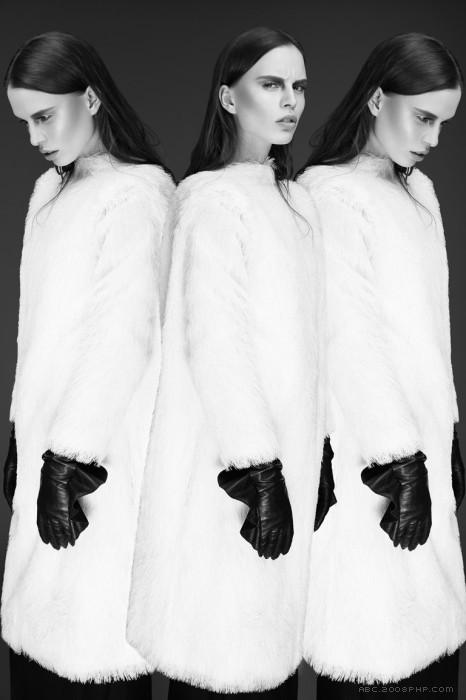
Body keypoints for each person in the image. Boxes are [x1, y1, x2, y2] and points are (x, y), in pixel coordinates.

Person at [127, 27, 325, 699]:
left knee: (268, 668)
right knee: (220, 667)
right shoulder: (210, 200)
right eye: (270, 84)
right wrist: (259, 470)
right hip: (230, 484)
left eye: (298, 86)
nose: (290, 100)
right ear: (228, 98)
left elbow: (309, 343)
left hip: (286, 473)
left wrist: (320, 449)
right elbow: (214, 342)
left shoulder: (296, 203)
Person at [2, 31, 174, 699]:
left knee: (96, 659)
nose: (35, 137)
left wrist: (68, 459)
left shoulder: (139, 195)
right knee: (38, 660)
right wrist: (21, 435)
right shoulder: (49, 194)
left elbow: (123, 340)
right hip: (45, 465)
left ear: (92, 98)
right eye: (25, 122)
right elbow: (41, 339)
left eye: (45, 116)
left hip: (98, 473)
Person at [297, 32, 466, 699]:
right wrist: (399, 462)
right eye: (422, 117)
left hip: (425, 470)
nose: (432, 138)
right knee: (370, 657)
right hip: (372, 474)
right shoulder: (330, 196)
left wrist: (447, 436)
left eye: (442, 123)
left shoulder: (418, 194)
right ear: (376, 99)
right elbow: (346, 343)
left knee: (429, 665)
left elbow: (426, 340)